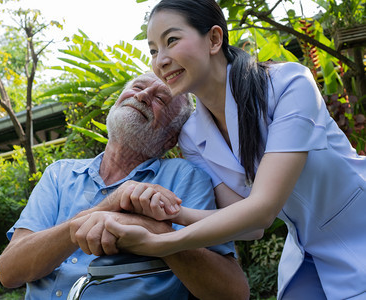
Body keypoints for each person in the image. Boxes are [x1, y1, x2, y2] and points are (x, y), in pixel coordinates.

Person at [103, 1, 366, 299]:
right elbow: (244, 225)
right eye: (153, 50)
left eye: (171, 41)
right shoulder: (192, 135)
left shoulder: (290, 84)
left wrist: (161, 244)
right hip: (308, 253)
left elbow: (261, 211)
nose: (160, 61)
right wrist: (163, 213)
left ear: (215, 39)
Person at [0, 72, 250, 299]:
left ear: (170, 139)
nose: (141, 96)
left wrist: (152, 230)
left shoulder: (185, 178)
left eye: (160, 99)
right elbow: (10, 271)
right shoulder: (60, 174)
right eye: (137, 87)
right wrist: (105, 209)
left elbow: (232, 292)